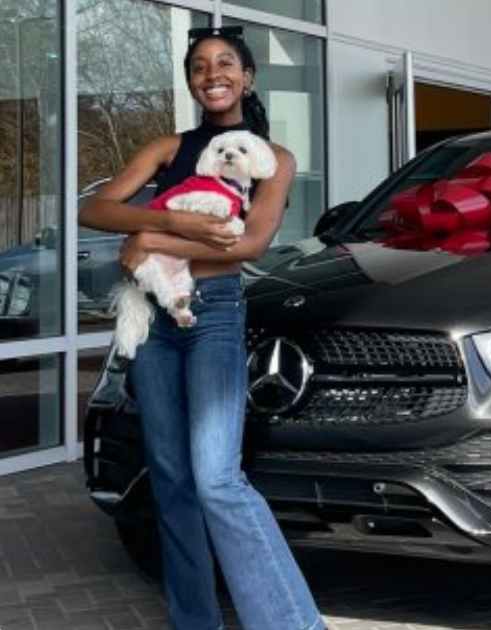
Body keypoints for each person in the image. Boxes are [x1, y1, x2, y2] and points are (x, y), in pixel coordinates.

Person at [79, 26, 323, 630]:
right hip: (155, 320)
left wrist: (153, 236)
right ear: (191, 82)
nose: (212, 74)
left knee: (217, 479)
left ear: (246, 77)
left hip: (213, 313)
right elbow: (95, 208)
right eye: (199, 67)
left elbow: (250, 243)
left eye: (225, 64)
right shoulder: (169, 147)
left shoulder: (276, 159)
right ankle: (195, 621)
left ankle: (294, 623)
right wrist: (168, 228)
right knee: (171, 479)